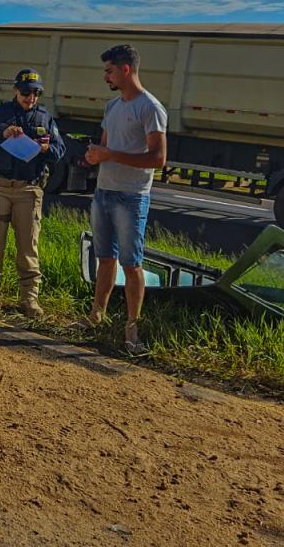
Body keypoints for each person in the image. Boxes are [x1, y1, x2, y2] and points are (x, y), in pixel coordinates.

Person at [79, 44, 168, 354]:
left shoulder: (150, 108)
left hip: (132, 197)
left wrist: (110, 154)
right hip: (104, 191)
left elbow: (158, 159)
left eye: (109, 71)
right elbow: (106, 147)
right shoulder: (112, 107)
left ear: (126, 69)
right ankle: (96, 316)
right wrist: (94, 157)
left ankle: (132, 329)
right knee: (105, 258)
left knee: (131, 264)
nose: (106, 77)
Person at [0, 69, 66, 318]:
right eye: (26, 92)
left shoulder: (45, 119)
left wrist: (45, 148)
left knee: (28, 249)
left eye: (36, 93)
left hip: (29, 190)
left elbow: (60, 150)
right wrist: (1, 134)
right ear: (16, 90)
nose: (30, 97)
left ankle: (29, 300)